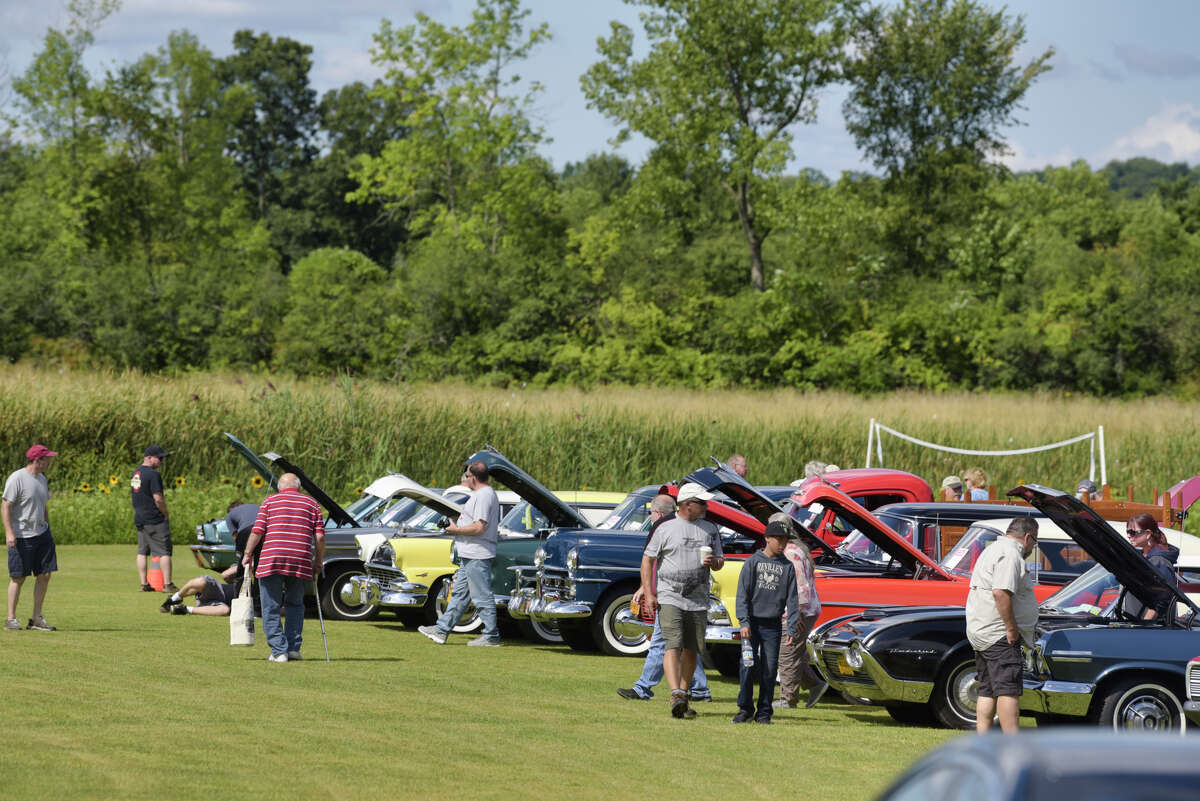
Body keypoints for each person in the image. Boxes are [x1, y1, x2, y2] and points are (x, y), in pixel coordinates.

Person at [641, 482, 724, 719]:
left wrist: (715, 563)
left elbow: (720, 561)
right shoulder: (664, 527)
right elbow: (647, 561)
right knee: (673, 645)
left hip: (698, 598)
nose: (707, 506)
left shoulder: (710, 528)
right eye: (702, 503)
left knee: (691, 649)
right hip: (670, 595)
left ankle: (683, 695)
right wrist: (649, 593)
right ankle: (676, 692)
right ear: (688, 504)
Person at [617, 494, 711, 702]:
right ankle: (697, 689)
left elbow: (650, 561)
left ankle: (649, 689)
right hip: (670, 596)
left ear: (657, 513)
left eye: (650, 513)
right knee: (677, 644)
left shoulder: (661, 527)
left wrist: (647, 591)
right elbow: (654, 563)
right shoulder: (676, 527)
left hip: (672, 597)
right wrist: (646, 589)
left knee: (672, 644)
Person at [965, 516, 1039, 734]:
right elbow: (1001, 592)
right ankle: (1012, 743)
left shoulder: (992, 549)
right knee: (1008, 690)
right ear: (1027, 537)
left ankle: (983, 739)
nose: (1033, 547)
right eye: (1034, 542)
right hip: (999, 634)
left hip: (981, 631)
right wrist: (1011, 628)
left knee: (987, 689)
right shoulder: (1010, 555)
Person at [242, 472, 324, 662]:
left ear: (280, 487)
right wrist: (318, 561)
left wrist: (247, 554)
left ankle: (279, 650)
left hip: (272, 558)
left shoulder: (270, 501)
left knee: (271, 605)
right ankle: (293, 649)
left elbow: (257, 531)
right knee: (295, 605)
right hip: (300, 560)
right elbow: (319, 537)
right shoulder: (312, 504)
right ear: (299, 487)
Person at [419, 460, 502, 646]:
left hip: (477, 554)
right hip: (470, 553)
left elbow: (479, 527)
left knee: (482, 596)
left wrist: (455, 530)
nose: (465, 479)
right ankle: (441, 630)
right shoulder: (483, 494)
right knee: (459, 595)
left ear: (472, 477)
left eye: (466, 476)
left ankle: (491, 636)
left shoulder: (483, 496)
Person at [733, 520, 800, 724]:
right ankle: (745, 709)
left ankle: (764, 712)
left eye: (786, 541)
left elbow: (793, 599)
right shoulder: (752, 562)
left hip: (772, 626)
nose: (782, 544)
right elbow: (742, 594)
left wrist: (791, 626)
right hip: (750, 625)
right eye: (779, 539)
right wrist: (744, 622)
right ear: (767, 538)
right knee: (747, 665)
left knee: (770, 670)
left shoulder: (787, 567)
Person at [3, 445, 59, 631]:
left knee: (45, 574)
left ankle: (36, 618)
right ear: (37, 460)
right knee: (18, 577)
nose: (49, 462)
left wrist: (47, 526)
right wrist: (9, 533)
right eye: (47, 459)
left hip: (42, 535)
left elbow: (43, 506)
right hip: (21, 536)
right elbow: (6, 506)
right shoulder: (17, 478)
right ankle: (11, 619)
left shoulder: (41, 479)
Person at [775, 516, 828, 710]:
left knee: (787, 653)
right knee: (793, 653)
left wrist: (793, 615)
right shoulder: (798, 549)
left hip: (799, 610)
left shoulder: (790, 553)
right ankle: (815, 684)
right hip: (805, 609)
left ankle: (787, 699)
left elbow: (799, 587)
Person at [131, 444, 177, 593]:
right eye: (160, 458)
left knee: (142, 552)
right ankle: (168, 584)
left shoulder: (136, 472)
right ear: (149, 458)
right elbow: (158, 498)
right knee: (164, 552)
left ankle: (144, 584)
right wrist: (165, 513)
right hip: (154, 518)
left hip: (140, 517)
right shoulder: (153, 475)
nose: (161, 462)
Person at [1122, 513, 1180, 620]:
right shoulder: (1144, 558)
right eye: (1127, 532)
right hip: (1136, 627)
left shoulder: (1158, 561)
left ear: (1148, 533)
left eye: (1132, 532)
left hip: (1151, 631)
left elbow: (1162, 600)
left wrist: (1145, 624)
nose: (1129, 535)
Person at [160, 564, 239, 616]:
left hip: (217, 604)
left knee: (225, 611)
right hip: (218, 590)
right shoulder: (245, 576)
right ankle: (174, 598)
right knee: (201, 581)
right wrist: (247, 563)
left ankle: (184, 609)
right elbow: (225, 575)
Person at [224, 499, 261, 594]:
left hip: (245, 531)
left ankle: (241, 597)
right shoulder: (255, 505)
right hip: (263, 530)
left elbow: (236, 538)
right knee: (259, 568)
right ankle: (259, 601)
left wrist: (244, 553)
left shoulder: (230, 515)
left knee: (242, 569)